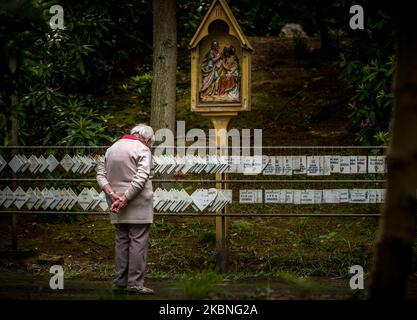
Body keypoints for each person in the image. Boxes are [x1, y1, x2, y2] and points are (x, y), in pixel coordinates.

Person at [96, 124, 155, 294]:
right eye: (151, 142)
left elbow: (100, 174)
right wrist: (126, 198)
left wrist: (112, 194)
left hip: (114, 201)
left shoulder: (111, 148)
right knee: (138, 241)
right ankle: (135, 284)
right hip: (138, 202)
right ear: (148, 139)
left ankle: (120, 282)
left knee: (121, 240)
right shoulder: (143, 149)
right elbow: (141, 177)